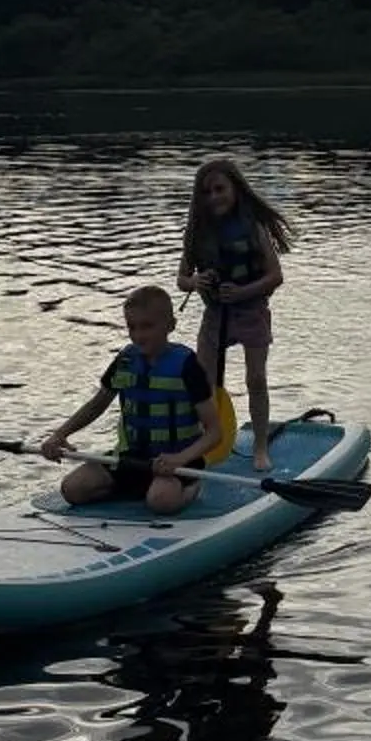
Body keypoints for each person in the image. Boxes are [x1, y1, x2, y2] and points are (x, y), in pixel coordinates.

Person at [39, 285, 225, 514]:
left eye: (147, 326)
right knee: (72, 489)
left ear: (170, 326)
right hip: (132, 459)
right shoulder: (125, 360)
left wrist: (180, 459)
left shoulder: (187, 365)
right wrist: (60, 434)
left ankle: (190, 489)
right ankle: (136, 487)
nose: (138, 335)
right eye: (132, 327)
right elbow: (97, 404)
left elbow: (215, 432)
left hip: (178, 462)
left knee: (161, 502)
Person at [177, 156, 294, 469]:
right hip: (215, 317)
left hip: (251, 313)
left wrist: (243, 292)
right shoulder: (196, 233)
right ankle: (203, 440)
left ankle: (259, 448)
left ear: (235, 189)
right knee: (203, 382)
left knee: (256, 378)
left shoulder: (253, 227)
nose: (214, 196)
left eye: (220, 189)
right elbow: (181, 280)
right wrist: (196, 281)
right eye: (207, 192)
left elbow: (275, 276)